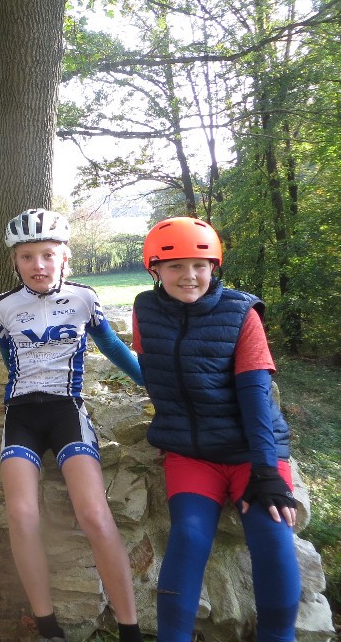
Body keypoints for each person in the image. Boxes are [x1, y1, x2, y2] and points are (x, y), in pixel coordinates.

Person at [132, 216, 300, 642]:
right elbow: (152, 372)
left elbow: (256, 396)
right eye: (175, 266)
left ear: (214, 267)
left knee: (273, 532)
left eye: (200, 265)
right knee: (188, 536)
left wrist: (266, 470)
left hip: (249, 450)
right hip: (191, 453)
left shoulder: (242, 313)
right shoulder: (144, 309)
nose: (189, 275)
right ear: (155, 270)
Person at [0, 208, 145, 642]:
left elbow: (113, 348)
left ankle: (130, 629)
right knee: (22, 515)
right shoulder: (1, 307)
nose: (37, 265)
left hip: (67, 412)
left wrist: (156, 385)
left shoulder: (84, 299)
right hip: (21, 415)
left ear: (64, 257)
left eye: (47, 255)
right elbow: (11, 362)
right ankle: (48, 627)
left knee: (94, 513)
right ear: (15, 261)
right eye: (27, 257)